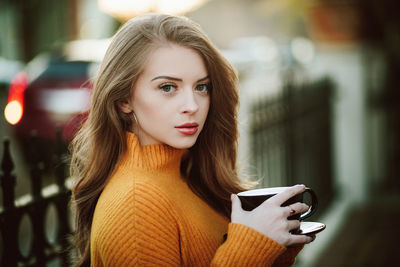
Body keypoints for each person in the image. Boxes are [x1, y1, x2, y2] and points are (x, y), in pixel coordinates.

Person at [70, 13, 314, 267]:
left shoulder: (189, 174)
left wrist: (273, 246)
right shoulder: (136, 204)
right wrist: (251, 246)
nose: (192, 105)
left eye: (201, 87)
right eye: (167, 87)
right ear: (124, 100)